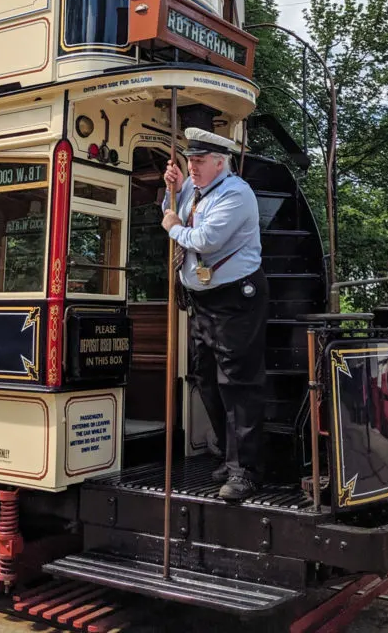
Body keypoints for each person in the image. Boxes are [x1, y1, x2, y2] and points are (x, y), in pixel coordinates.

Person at [162, 126, 267, 502]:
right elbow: (171, 210)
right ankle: (227, 455)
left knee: (237, 384)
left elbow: (205, 239)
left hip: (235, 301)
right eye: (189, 160)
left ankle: (245, 472)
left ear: (220, 162)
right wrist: (169, 189)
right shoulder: (193, 187)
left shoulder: (237, 194)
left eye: (199, 161)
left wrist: (174, 227)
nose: (192, 166)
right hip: (203, 303)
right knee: (204, 378)